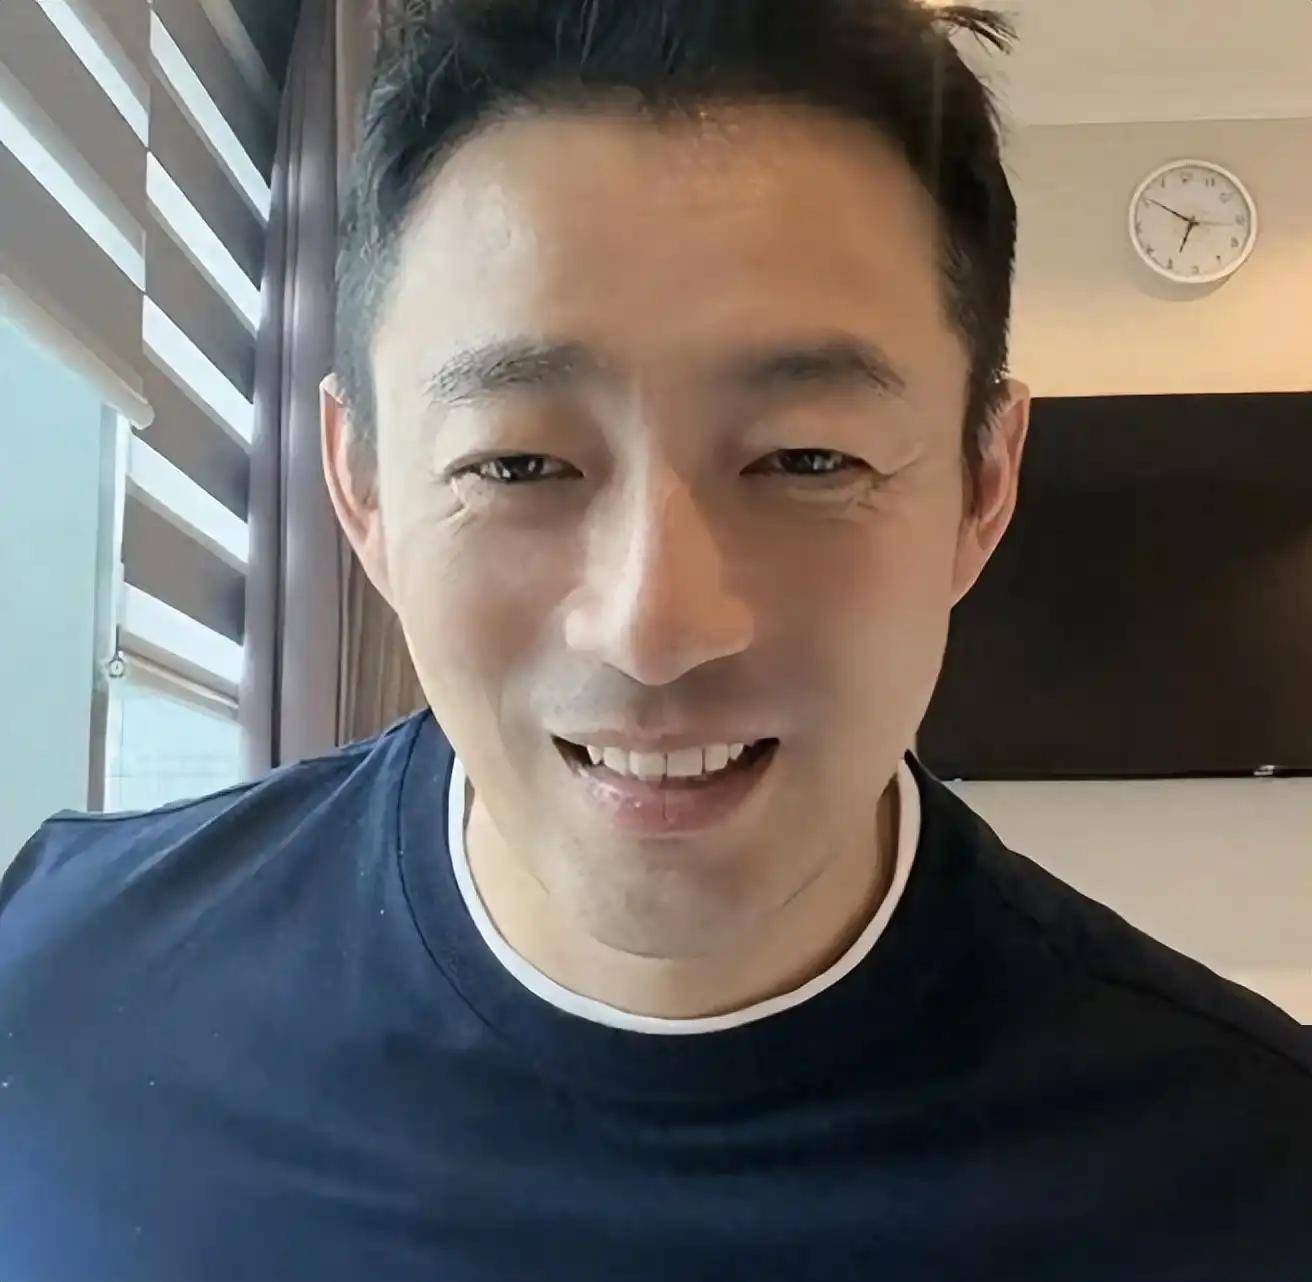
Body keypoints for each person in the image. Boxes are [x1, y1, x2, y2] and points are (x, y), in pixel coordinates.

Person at [2, 1, 1309, 1277]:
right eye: (519, 463)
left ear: (984, 484)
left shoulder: (1251, 1174)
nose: (653, 627)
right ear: (363, 488)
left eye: (807, 459)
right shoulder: (56, 985)